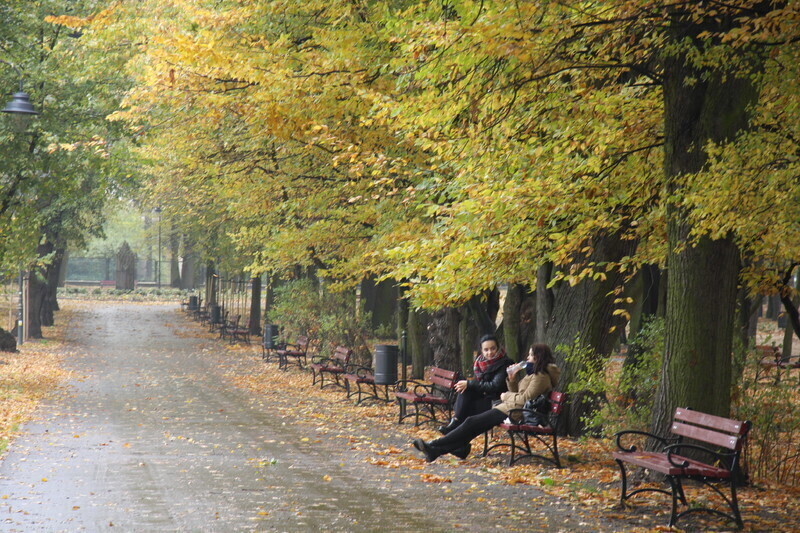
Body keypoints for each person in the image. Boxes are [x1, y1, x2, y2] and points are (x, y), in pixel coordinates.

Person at [412, 343, 560, 462]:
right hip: (510, 408)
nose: (527, 357)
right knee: (472, 425)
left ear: (538, 357)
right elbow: (519, 394)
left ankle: (434, 446)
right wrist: (512, 379)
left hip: (516, 413)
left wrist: (505, 396)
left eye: (531, 355)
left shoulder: (541, 376)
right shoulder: (534, 374)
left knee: (471, 423)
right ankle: (438, 449)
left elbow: (524, 399)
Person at [438, 334, 513, 435]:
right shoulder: (480, 363)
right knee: (465, 390)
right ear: (481, 351)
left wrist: (470, 383)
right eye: (486, 350)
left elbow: (495, 386)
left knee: (466, 404)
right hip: (484, 398)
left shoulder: (505, 363)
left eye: (493, 348)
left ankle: (455, 425)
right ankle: (456, 425)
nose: (490, 352)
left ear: (498, 348)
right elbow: (478, 385)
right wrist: (468, 384)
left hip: (496, 403)